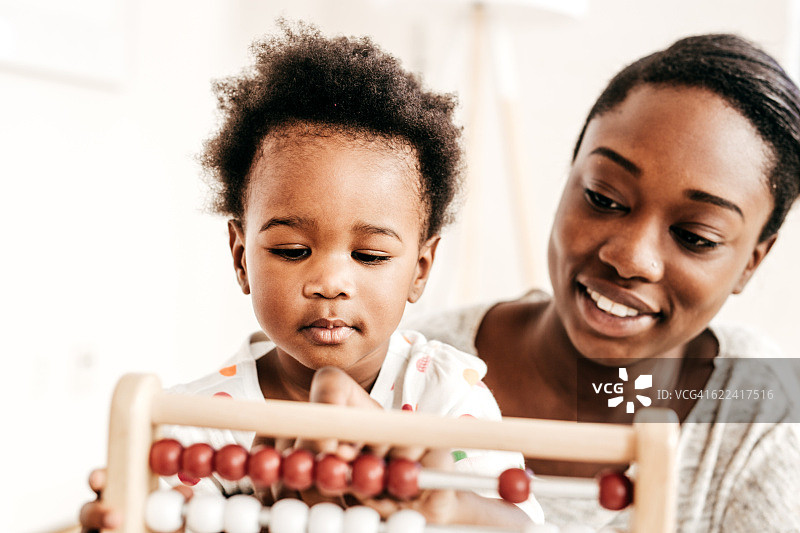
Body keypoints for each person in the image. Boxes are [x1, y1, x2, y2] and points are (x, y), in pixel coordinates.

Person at [78, 23, 543, 532]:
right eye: (292, 249)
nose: (329, 282)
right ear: (240, 258)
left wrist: (446, 506)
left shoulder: (448, 397)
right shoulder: (199, 423)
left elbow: (521, 524)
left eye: (369, 255)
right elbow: (157, 513)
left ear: (420, 270)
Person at [407, 33, 800, 532]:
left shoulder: (766, 416)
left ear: (751, 264)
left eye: (695, 236)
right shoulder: (412, 372)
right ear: (570, 176)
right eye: (603, 198)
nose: (631, 258)